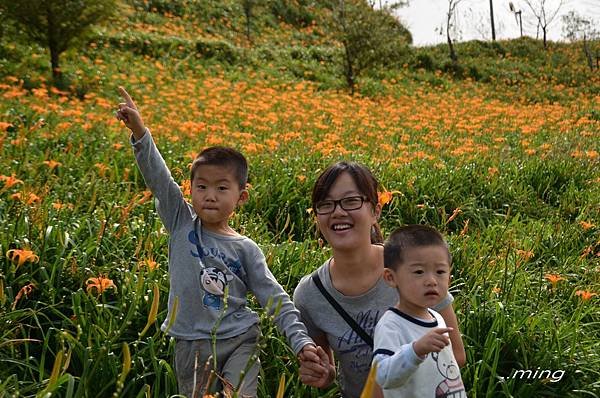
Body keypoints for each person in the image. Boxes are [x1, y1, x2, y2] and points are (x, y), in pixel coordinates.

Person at [115, 87, 324, 397]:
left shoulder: (245, 248)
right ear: (190, 190)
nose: (209, 195)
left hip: (240, 338)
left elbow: (274, 299)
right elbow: (159, 179)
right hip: (190, 342)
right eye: (201, 186)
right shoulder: (180, 221)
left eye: (221, 188)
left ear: (241, 197)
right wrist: (140, 132)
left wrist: (302, 341)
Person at [293, 161, 465, 398]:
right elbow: (329, 372)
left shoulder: (413, 268)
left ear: (375, 211)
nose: (338, 212)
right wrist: (323, 374)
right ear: (317, 217)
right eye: (326, 204)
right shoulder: (310, 294)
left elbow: (456, 354)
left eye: (351, 201)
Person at [372, 224, 466, 397]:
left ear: (449, 278)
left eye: (440, 271)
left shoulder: (437, 317)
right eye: (419, 272)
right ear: (391, 278)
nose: (431, 280)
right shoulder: (391, 325)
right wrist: (415, 351)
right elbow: (382, 375)